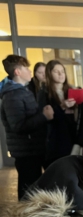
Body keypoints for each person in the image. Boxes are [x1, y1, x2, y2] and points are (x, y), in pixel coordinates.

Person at [0, 55, 53, 200]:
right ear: (17, 72)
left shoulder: (21, 91)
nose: (30, 71)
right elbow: (18, 126)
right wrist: (44, 116)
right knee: (28, 189)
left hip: (32, 148)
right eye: (26, 68)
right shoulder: (12, 95)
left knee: (33, 186)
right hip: (26, 151)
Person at [38, 60, 83, 167]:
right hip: (57, 143)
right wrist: (62, 107)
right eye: (56, 71)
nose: (61, 74)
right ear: (49, 74)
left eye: (62, 71)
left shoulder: (73, 90)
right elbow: (47, 119)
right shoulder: (45, 94)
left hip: (75, 140)